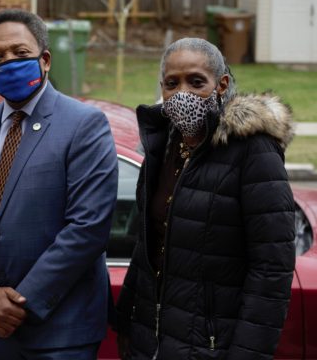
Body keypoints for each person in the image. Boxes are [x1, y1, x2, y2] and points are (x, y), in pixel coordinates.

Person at [0, 8, 119, 360]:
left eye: (20, 53)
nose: (9, 62)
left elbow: (88, 227)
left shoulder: (84, 124)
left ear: (45, 60)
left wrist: (20, 302)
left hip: (61, 332)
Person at [113, 37, 296, 359]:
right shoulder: (163, 147)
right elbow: (147, 246)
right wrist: (126, 323)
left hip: (210, 346)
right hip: (151, 341)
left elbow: (271, 268)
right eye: (172, 84)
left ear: (221, 85)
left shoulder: (253, 150)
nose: (182, 93)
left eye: (196, 82)